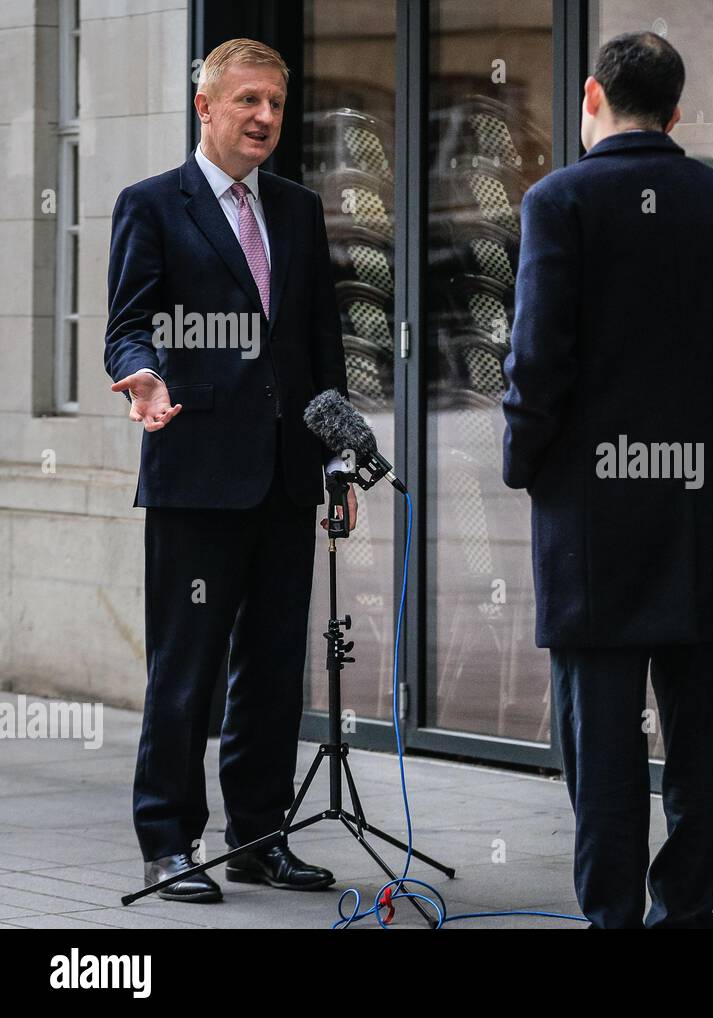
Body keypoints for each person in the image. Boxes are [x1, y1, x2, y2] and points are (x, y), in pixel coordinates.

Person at [501, 31, 713, 928]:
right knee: (699, 735)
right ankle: (685, 909)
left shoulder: (559, 200)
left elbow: (538, 358)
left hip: (593, 511)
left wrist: (525, 460)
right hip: (698, 506)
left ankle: (612, 914)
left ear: (591, 95)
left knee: (602, 735)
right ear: (678, 108)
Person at [104, 38, 354, 902]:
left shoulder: (298, 209)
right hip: (197, 474)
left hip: (286, 478)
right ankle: (168, 842)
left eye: (276, 105)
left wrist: (337, 464)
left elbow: (323, 349)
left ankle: (259, 837)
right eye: (246, 101)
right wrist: (141, 375)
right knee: (187, 668)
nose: (264, 118)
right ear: (204, 109)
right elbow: (126, 326)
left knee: (274, 668)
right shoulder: (151, 206)